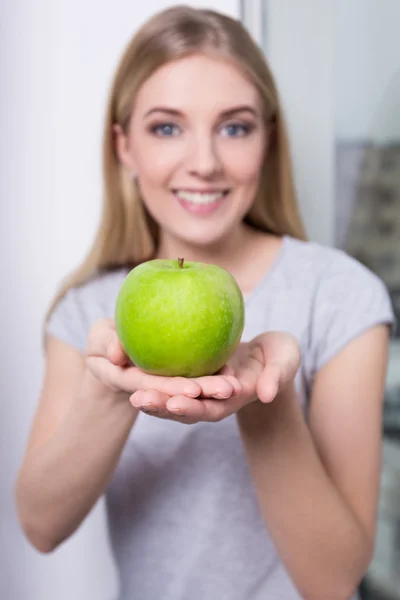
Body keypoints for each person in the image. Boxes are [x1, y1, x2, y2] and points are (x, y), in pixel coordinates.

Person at [15, 6, 395, 600]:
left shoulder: (341, 296)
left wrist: (265, 403)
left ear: (268, 140)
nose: (204, 162)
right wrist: (110, 391)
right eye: (167, 127)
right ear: (125, 147)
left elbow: (333, 581)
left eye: (235, 127)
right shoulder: (87, 308)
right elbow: (39, 527)